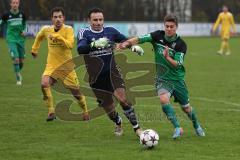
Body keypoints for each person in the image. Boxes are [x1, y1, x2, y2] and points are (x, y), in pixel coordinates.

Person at [118, 14, 205, 139]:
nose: (169, 29)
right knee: (164, 100)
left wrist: (167, 57)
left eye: (172, 27)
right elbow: (139, 39)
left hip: (177, 80)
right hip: (162, 79)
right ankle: (177, 127)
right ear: (164, 26)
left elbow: (177, 64)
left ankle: (196, 125)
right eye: (167, 26)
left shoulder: (181, 44)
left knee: (186, 108)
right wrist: (126, 43)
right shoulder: (157, 36)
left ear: (176, 27)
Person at [77, 7, 142, 136]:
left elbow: (124, 40)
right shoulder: (84, 33)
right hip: (96, 78)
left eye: (100, 19)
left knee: (123, 99)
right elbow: (80, 49)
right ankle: (117, 121)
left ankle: (137, 129)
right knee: (110, 109)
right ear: (89, 21)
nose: (98, 22)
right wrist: (94, 45)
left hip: (113, 72)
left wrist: (133, 47)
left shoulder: (110, 31)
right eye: (95, 20)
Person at [31, 7, 89, 121]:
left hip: (66, 67)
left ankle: (85, 111)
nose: (58, 19)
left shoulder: (69, 29)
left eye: (60, 17)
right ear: (52, 19)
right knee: (44, 84)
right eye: (55, 17)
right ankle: (51, 111)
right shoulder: (47, 30)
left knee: (76, 93)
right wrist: (34, 49)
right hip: (51, 66)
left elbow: (70, 45)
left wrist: (58, 37)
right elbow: (39, 36)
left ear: (64, 18)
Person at [0, 0, 26, 85]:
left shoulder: (22, 14)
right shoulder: (6, 15)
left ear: (18, 4)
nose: (15, 4)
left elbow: (25, 24)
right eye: (13, 3)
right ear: (11, 4)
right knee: (16, 59)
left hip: (21, 40)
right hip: (11, 39)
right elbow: (1, 23)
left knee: (21, 61)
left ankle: (17, 68)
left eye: (16, 3)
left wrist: (24, 31)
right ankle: (18, 78)